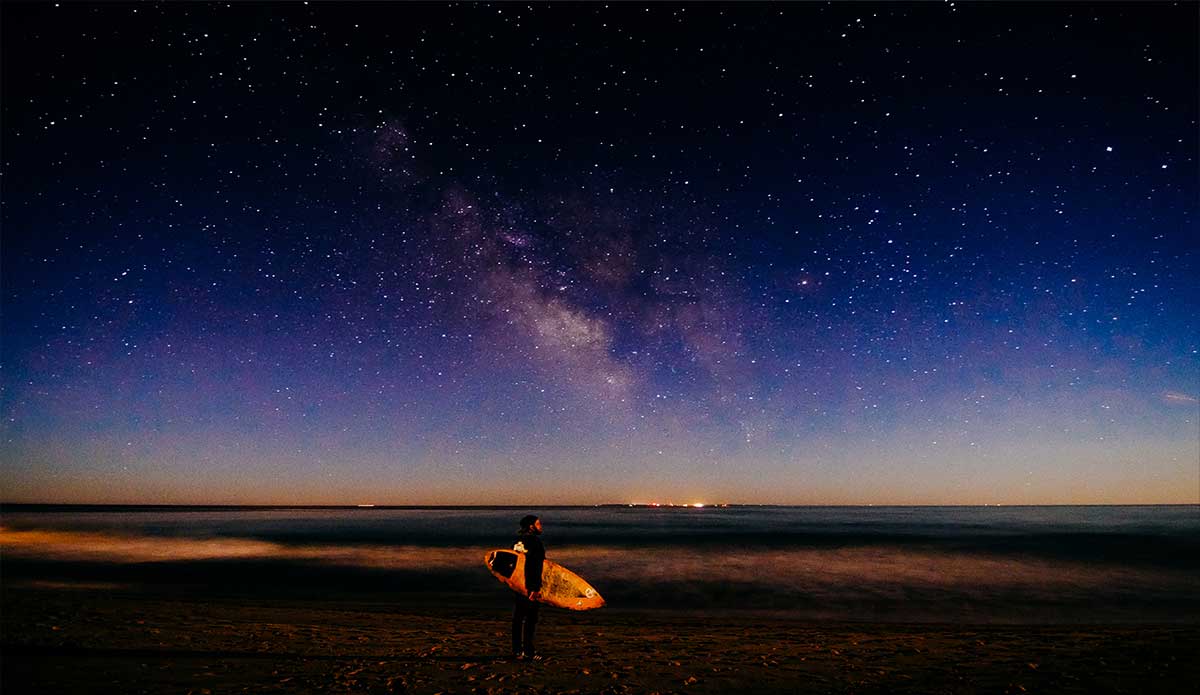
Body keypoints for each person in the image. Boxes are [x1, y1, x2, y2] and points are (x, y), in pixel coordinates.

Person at [512, 514, 545, 661]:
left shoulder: (517, 542)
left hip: (517, 585)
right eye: (538, 524)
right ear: (531, 526)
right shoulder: (535, 542)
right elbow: (535, 566)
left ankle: (517, 651)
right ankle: (529, 652)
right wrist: (535, 588)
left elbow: (512, 564)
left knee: (518, 618)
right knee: (531, 619)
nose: (540, 526)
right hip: (530, 585)